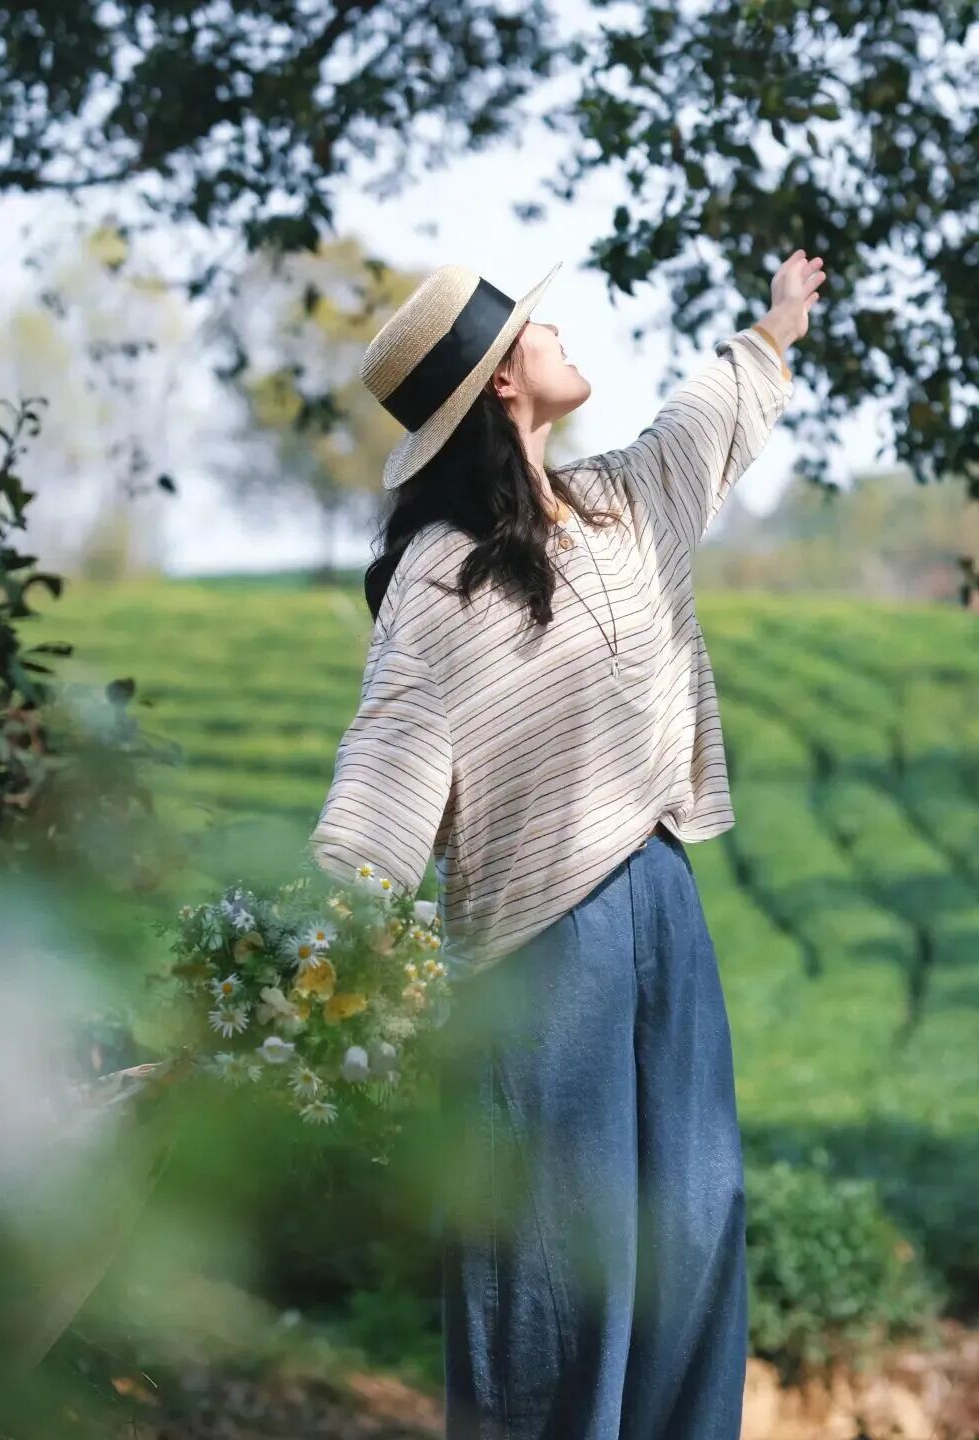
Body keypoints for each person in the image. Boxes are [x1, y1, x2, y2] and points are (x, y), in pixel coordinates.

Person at [309, 249, 826, 1438]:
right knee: (552, 1268)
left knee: (693, 1237)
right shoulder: (435, 583)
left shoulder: (624, 506)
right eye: (539, 329)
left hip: (664, 903)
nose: (562, 335)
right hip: (541, 961)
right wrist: (319, 940)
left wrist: (777, 326)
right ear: (502, 383)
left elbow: (705, 419)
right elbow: (386, 770)